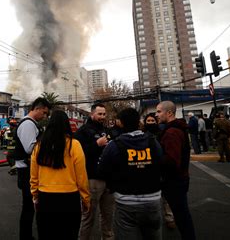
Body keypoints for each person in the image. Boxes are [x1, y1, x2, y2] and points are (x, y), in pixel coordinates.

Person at [99, 108, 163, 240]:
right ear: (139, 122)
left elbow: (103, 170)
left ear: (121, 123)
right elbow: (162, 164)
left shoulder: (114, 145)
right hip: (153, 201)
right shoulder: (153, 142)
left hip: (125, 203)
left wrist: (113, 186)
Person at [30, 110, 90, 239]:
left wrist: (35, 195)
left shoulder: (39, 146)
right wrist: (85, 199)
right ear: (66, 124)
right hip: (69, 200)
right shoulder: (74, 145)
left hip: (45, 199)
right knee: (69, 235)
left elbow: (34, 175)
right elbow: (81, 176)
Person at [156, 101, 196, 240]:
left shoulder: (172, 132)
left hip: (174, 181)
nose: (157, 115)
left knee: (181, 216)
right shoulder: (177, 129)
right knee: (181, 214)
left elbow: (172, 161)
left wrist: (155, 159)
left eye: (159, 111)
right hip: (179, 179)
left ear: (169, 113)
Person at [75, 103, 114, 240]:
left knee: (108, 216)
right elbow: (78, 155)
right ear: (92, 114)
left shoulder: (107, 130)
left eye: (104, 114)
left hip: (108, 179)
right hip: (92, 179)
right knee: (88, 216)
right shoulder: (82, 132)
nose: (102, 117)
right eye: (99, 114)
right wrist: (97, 145)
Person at [14, 97, 51, 240]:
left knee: (30, 206)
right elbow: (30, 149)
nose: (45, 116)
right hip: (26, 170)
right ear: (37, 109)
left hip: (28, 169)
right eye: (45, 113)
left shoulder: (32, 124)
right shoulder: (28, 124)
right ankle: (26, 237)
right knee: (29, 207)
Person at [144, 112, 176, 230]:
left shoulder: (162, 134)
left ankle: (169, 218)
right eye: (149, 121)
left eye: (153, 121)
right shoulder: (143, 135)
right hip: (148, 170)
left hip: (162, 169)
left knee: (166, 196)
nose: (151, 123)